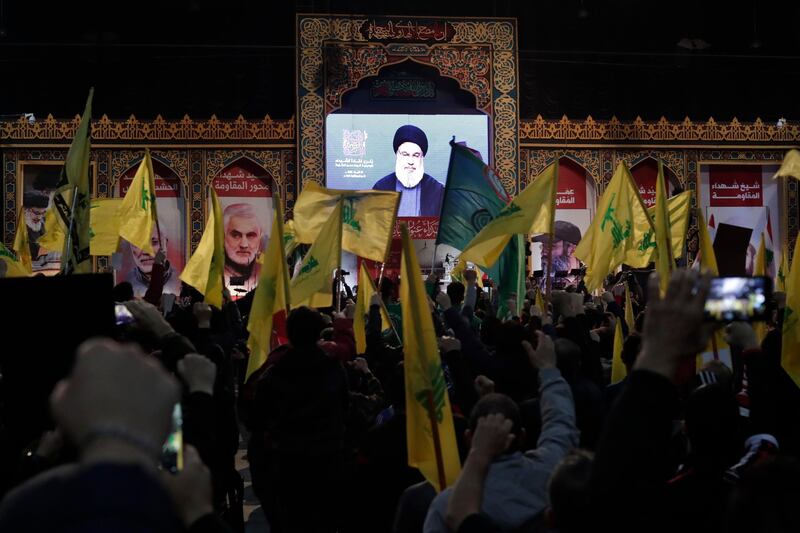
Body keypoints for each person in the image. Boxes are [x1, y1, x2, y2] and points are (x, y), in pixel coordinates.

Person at [373, 125, 444, 217]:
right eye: (405, 154)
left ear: (422, 158)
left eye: (415, 155)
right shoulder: (381, 188)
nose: (410, 162)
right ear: (397, 155)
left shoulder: (436, 190)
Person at [125, 225, 181, 298]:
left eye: (154, 242)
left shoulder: (180, 279)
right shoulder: (126, 279)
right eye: (138, 244)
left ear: (165, 244)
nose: (146, 251)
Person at [222, 203, 263, 298]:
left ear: (260, 236)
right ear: (223, 236)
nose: (244, 245)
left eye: (251, 235)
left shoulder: (268, 274)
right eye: (236, 235)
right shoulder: (212, 277)